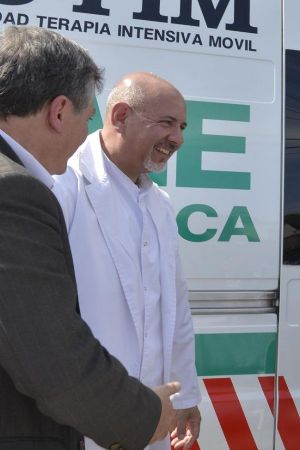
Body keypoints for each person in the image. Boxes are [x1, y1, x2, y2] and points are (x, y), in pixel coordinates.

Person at [0, 26, 180, 450]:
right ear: (59, 112)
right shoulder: (15, 192)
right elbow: (50, 356)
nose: (87, 137)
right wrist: (141, 417)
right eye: (86, 119)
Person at [53, 72, 201, 450]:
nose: (178, 138)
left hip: (150, 420)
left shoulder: (160, 204)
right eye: (166, 123)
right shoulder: (62, 186)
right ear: (120, 116)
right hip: (82, 424)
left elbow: (175, 310)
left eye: (181, 127)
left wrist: (184, 399)